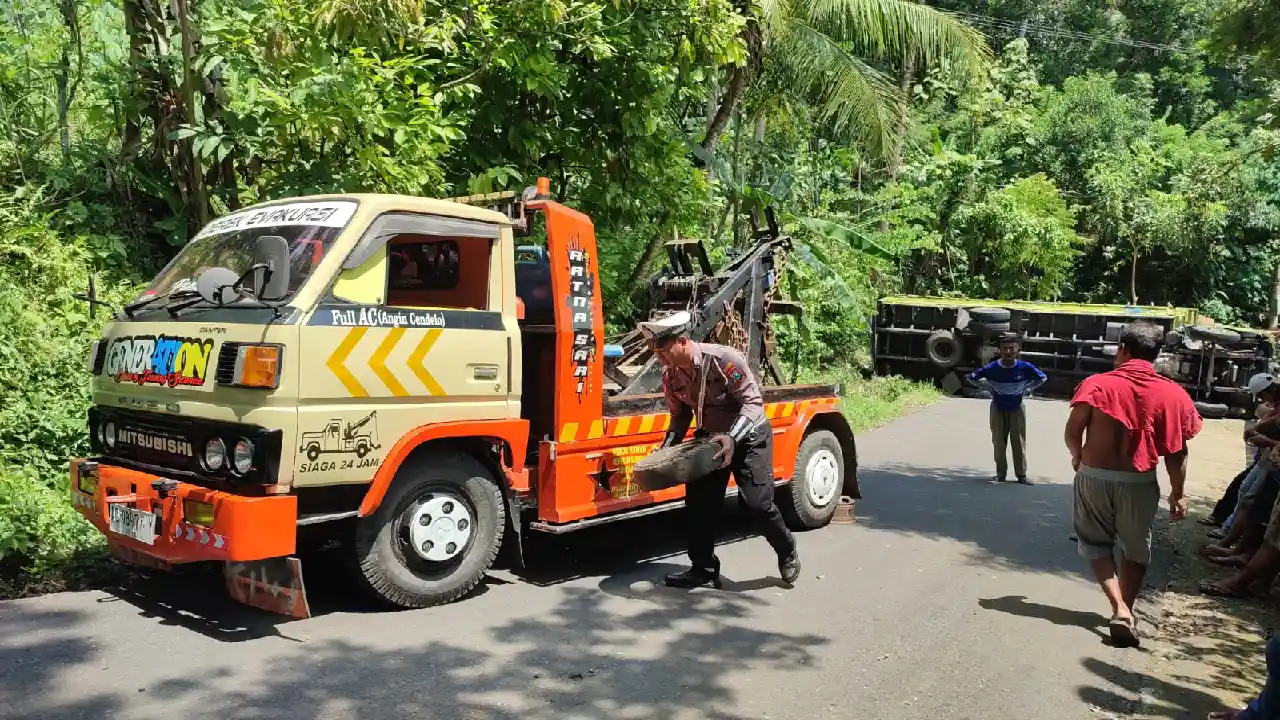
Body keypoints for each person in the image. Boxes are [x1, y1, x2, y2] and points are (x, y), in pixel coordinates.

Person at [639, 311, 801, 589]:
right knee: (699, 507)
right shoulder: (671, 377)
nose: (661, 361)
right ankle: (702, 567)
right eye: (657, 355)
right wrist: (665, 449)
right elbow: (680, 416)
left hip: (749, 437)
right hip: (710, 442)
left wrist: (732, 438)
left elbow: (752, 403)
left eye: (664, 353)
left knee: (756, 505)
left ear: (683, 341)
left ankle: (786, 549)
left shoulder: (724, 360)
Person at [1064, 321, 1202, 648]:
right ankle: (1126, 610)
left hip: (1094, 476)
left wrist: (1077, 456)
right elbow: (1177, 452)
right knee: (1136, 549)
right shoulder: (1173, 394)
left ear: (1122, 349)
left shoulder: (1096, 385)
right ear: (1156, 354)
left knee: (1095, 544)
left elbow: (1072, 432)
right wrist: (1178, 494)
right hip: (1139, 481)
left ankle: (1119, 609)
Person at [967, 334, 1048, 484]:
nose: (1008, 351)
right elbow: (972, 377)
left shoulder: (1025, 367)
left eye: (1012, 348)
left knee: (1018, 442)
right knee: (998, 442)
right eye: (1005, 349)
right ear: (1000, 351)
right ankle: (1001, 474)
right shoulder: (992, 368)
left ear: (1017, 350)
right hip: (997, 407)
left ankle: (1021, 475)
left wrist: (1027, 389)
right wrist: (989, 388)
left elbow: (1042, 378)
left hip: (1017, 407)